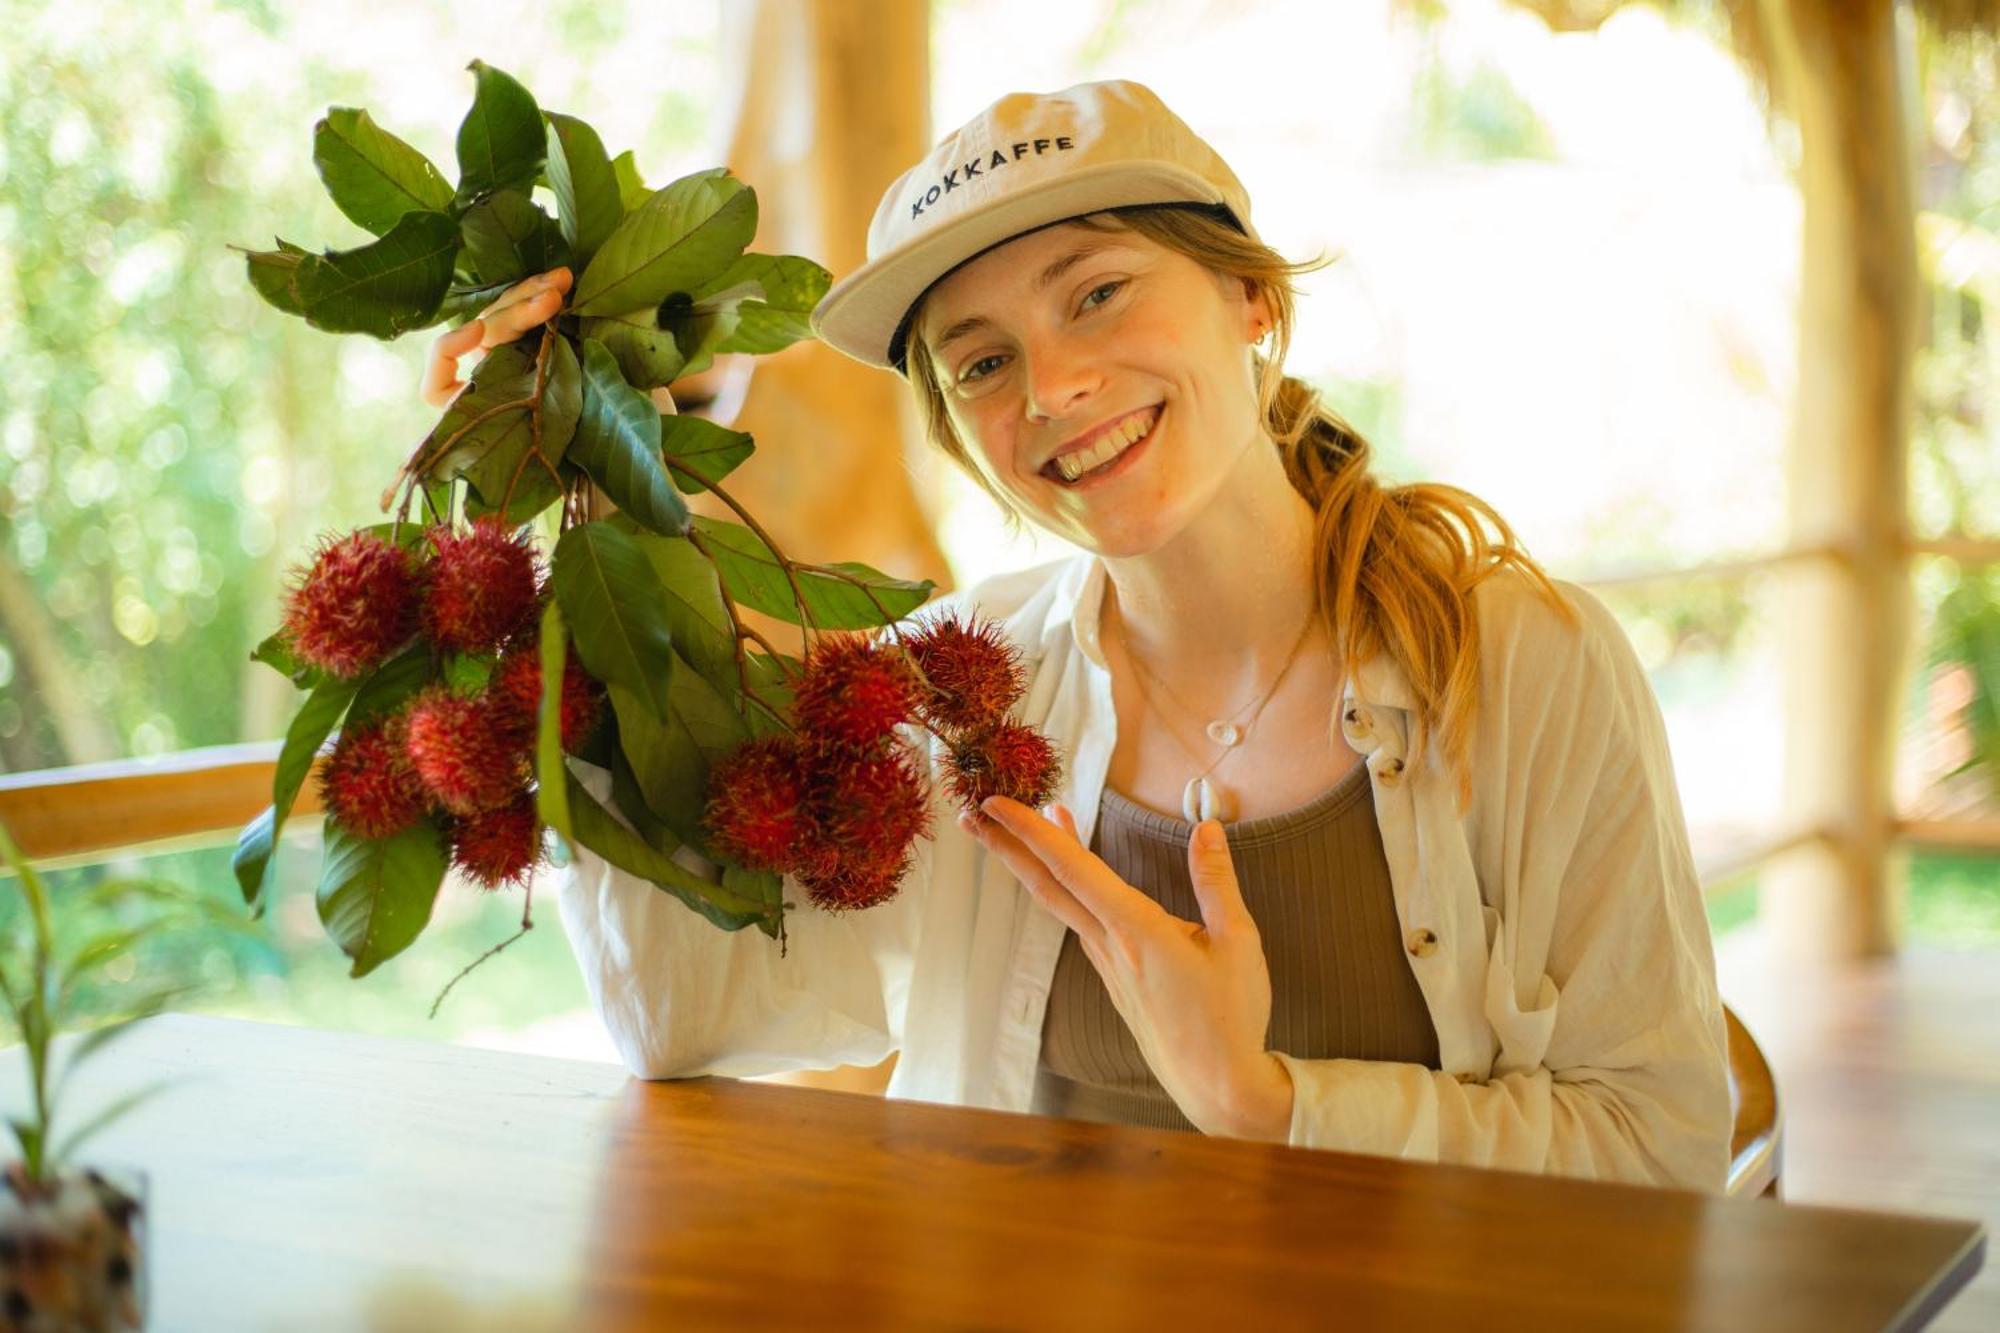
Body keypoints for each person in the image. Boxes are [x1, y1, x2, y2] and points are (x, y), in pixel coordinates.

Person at [425, 80, 1733, 1193]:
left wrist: (1270, 1101)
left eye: (1098, 294)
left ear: (1248, 300)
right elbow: (682, 1019)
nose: (1052, 389)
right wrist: (564, 516)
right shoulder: (954, 687)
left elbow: (1661, 1138)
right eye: (982, 362)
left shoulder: (1521, 661)